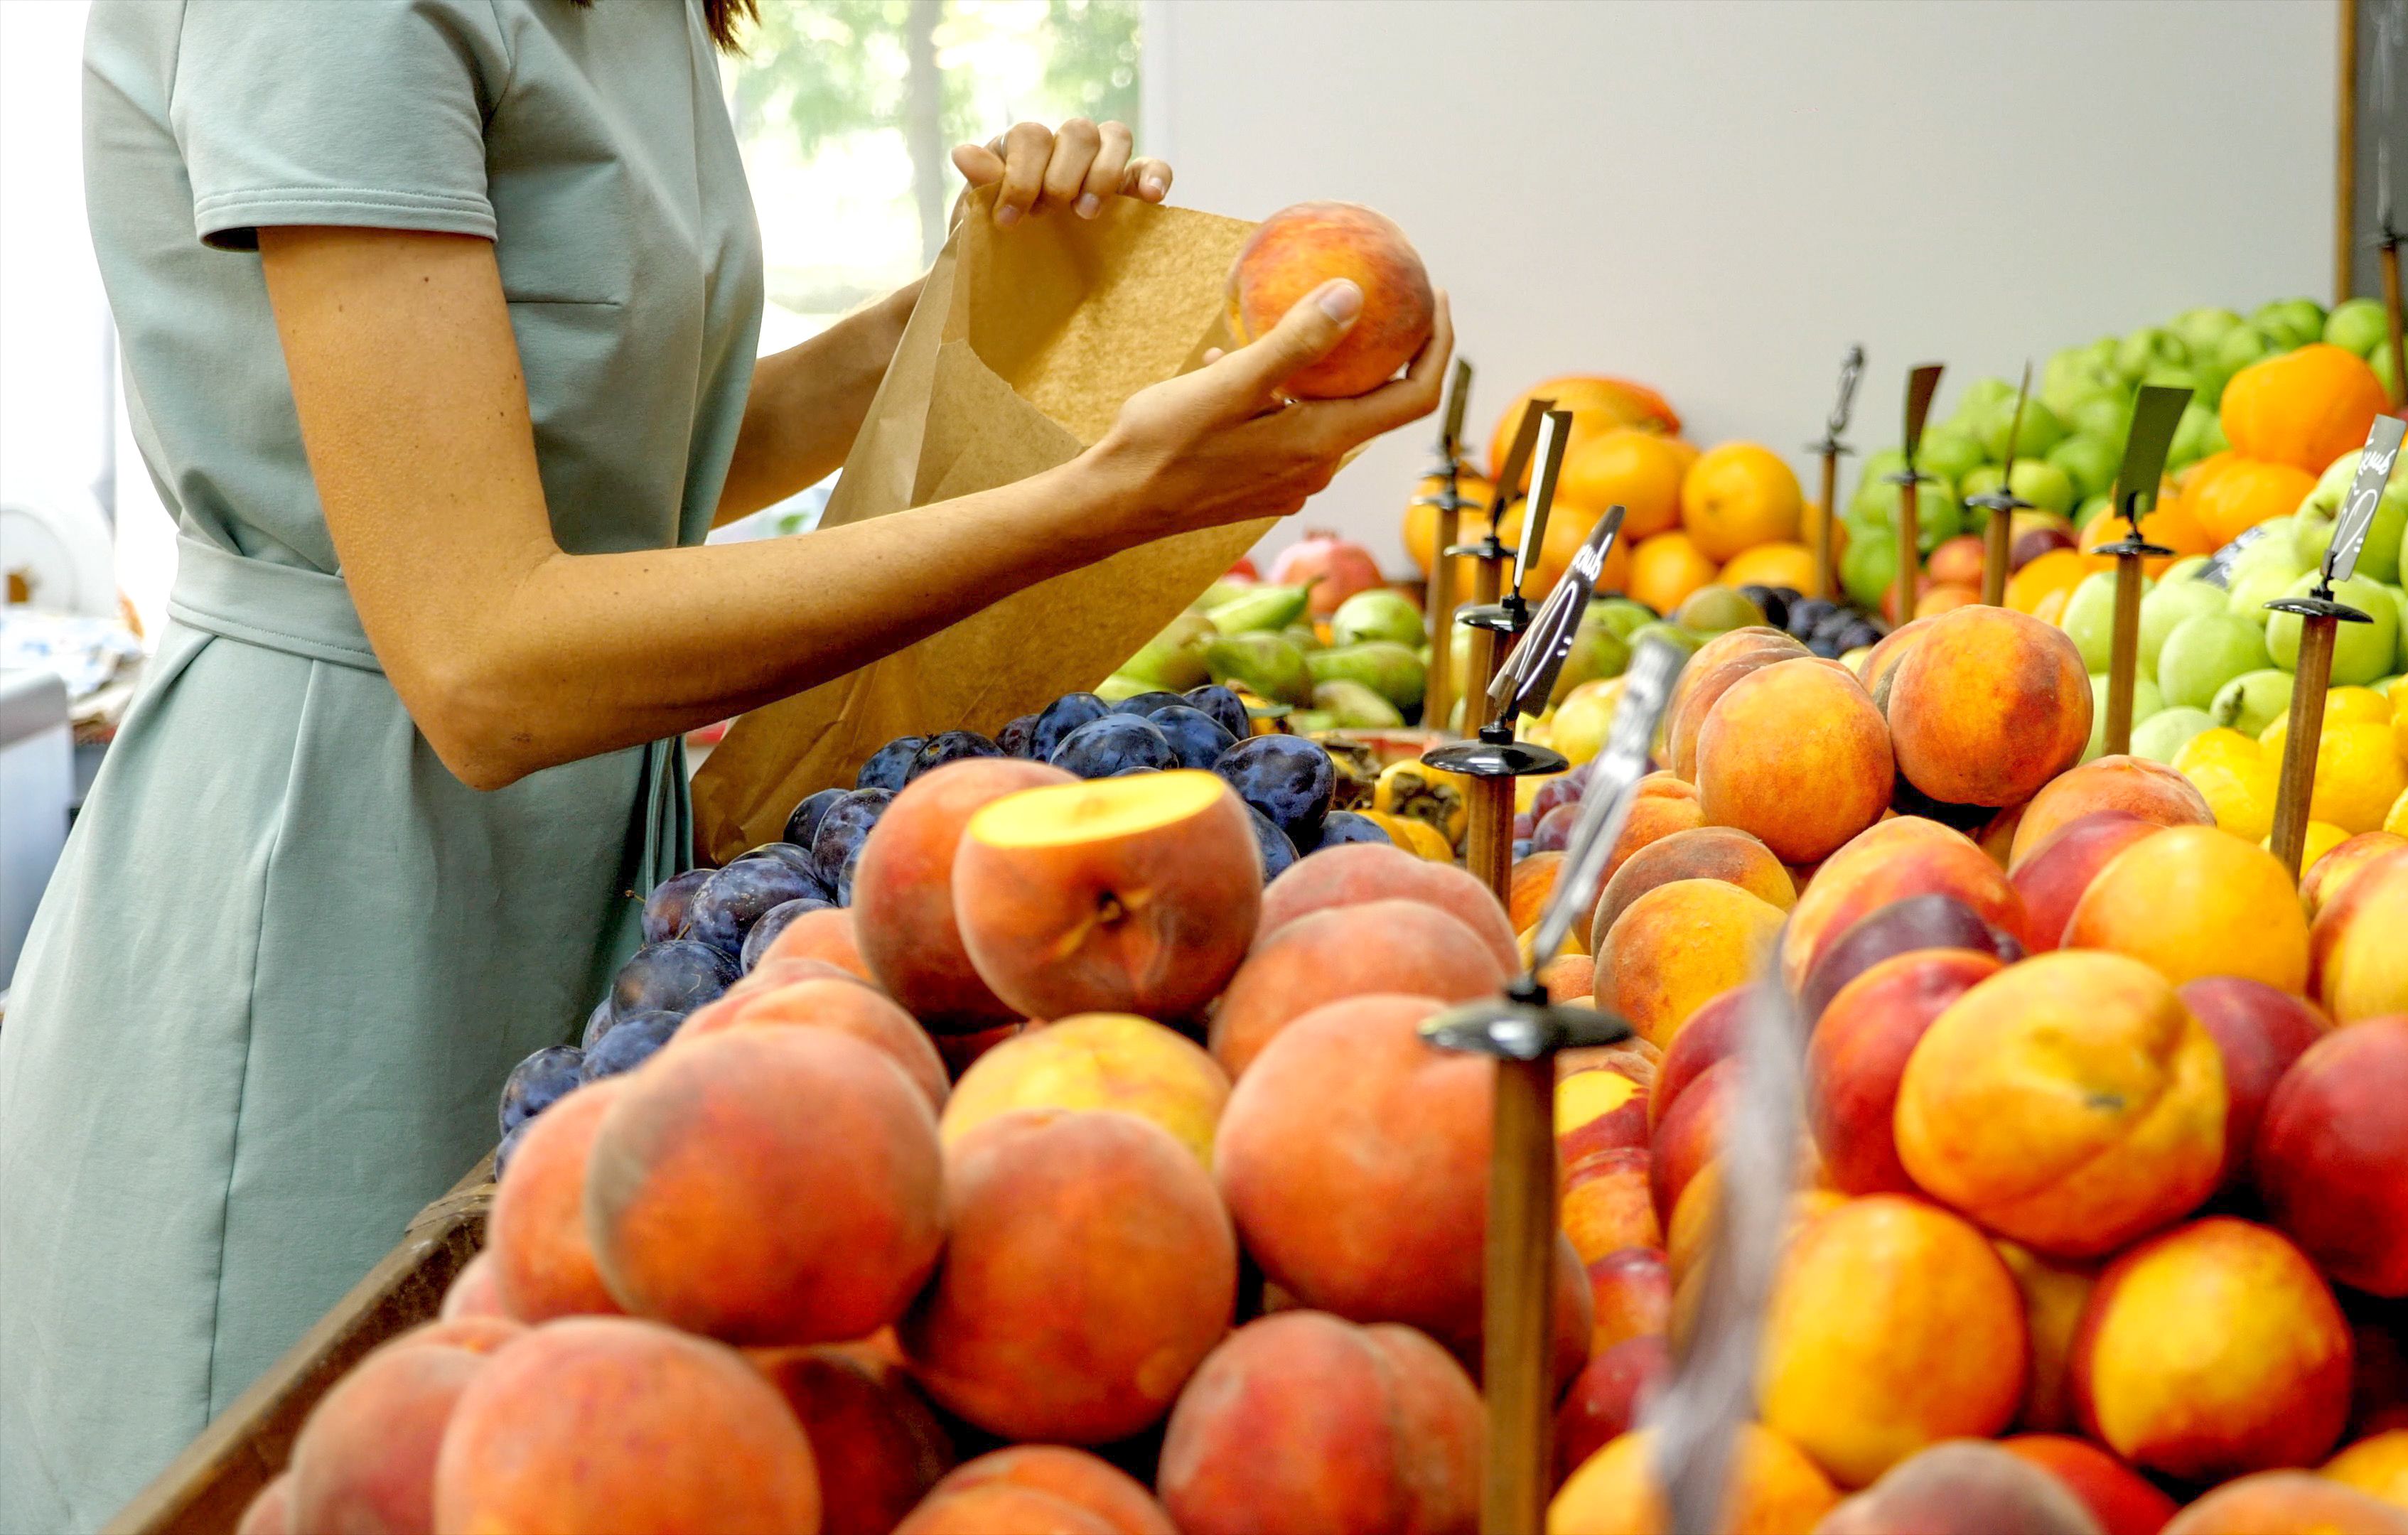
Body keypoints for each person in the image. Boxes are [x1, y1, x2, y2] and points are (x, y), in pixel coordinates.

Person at [0, 1, 1446, 1525]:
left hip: (565, 859)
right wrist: (1099, 497)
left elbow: (609, 468)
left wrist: (967, 317)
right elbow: (484, 664)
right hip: (326, 897)